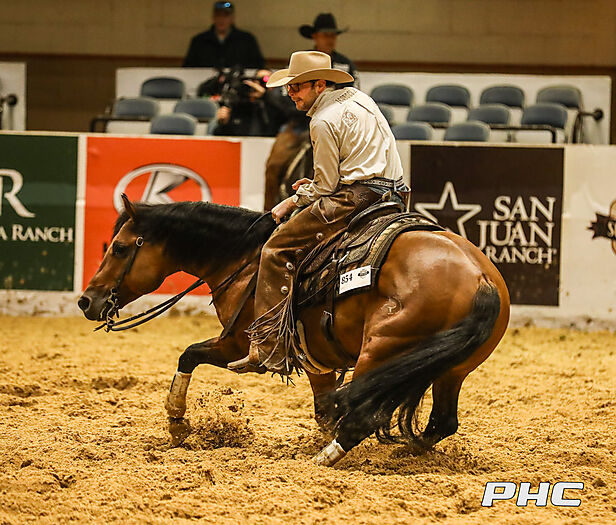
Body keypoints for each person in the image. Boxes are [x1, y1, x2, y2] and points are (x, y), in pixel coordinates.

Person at [228, 51, 408, 375]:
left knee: (275, 250)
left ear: (320, 85)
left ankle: (268, 347)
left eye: (297, 87)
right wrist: (316, 185)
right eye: (289, 87)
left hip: (355, 198)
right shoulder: (359, 99)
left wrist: (293, 200)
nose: (290, 94)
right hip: (394, 193)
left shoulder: (322, 121)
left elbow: (326, 187)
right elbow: (346, 168)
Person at [182, 1, 265, 69]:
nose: (221, 19)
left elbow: (258, 65)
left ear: (232, 18)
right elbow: (188, 67)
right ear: (213, 17)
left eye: (225, 16)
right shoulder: (199, 41)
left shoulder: (247, 40)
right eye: (218, 15)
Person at [299, 13, 358, 88]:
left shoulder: (345, 63)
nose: (330, 39)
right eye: (325, 35)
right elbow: (289, 89)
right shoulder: (302, 61)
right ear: (315, 36)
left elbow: (356, 90)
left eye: (333, 35)